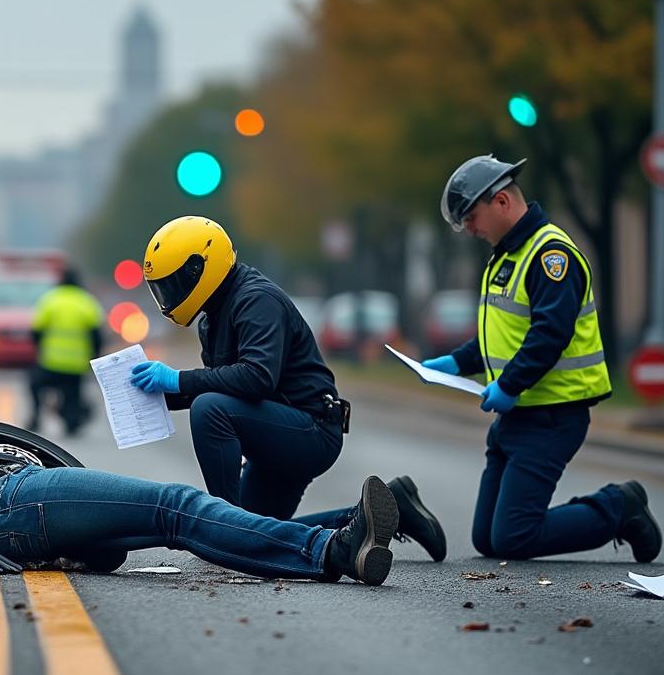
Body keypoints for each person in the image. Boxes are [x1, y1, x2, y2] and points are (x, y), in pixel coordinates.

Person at [0, 372, 401, 585]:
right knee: (175, 507)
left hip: (12, 500)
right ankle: (332, 550)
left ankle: (361, 522)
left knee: (171, 523)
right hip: (8, 508)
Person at [130, 215, 447, 561]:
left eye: (174, 283)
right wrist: (153, 394)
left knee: (209, 410)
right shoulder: (213, 316)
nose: (169, 295)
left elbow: (255, 378)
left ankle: (223, 528)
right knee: (260, 534)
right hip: (282, 430)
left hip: (311, 429)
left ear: (200, 268)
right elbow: (224, 384)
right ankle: (390, 511)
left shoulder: (255, 299)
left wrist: (176, 379)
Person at [425, 154, 662, 562]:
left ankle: (620, 507)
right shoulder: (507, 253)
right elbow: (505, 335)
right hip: (516, 416)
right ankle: (609, 508)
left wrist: (511, 384)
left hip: (552, 416)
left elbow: (549, 334)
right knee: (488, 539)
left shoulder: (550, 256)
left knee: (514, 538)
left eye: (471, 217)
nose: (469, 228)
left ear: (501, 202)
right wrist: (459, 362)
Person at [27, 267, 104, 436]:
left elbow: (36, 331)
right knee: (73, 395)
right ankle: (72, 423)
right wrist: (94, 358)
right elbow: (96, 335)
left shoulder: (51, 300)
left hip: (51, 362)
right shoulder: (87, 302)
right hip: (76, 364)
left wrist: (39, 350)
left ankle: (36, 417)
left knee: (34, 385)